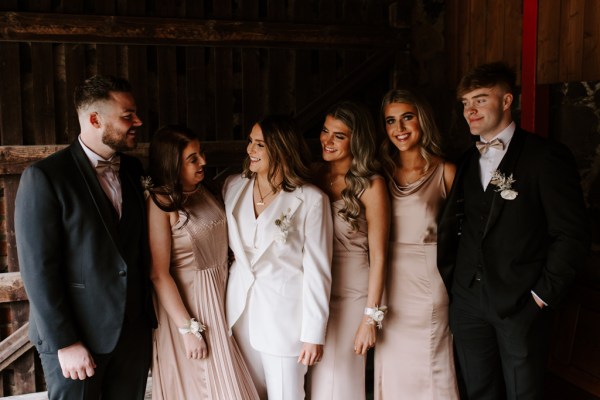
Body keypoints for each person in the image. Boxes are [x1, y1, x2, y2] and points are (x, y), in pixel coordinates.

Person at [437, 61, 590, 399]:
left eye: (480, 99)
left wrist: (539, 299)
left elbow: (572, 235)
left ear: (507, 101)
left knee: (524, 394)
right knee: (477, 391)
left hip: (520, 304)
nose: (470, 110)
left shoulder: (546, 157)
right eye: (465, 102)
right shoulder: (464, 161)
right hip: (466, 303)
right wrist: (457, 287)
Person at [14, 75, 156, 399]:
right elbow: (38, 271)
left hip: (131, 333)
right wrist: (65, 342)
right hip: (78, 337)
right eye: (127, 115)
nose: (138, 121)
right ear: (95, 119)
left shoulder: (134, 171)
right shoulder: (46, 177)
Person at [223, 115, 333, 400]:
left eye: (259, 144)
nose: (250, 150)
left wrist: (313, 333)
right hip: (238, 313)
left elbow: (318, 271)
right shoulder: (233, 187)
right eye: (250, 142)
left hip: (286, 320)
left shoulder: (310, 199)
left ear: (282, 150)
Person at [146, 125, 259, 399]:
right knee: (203, 386)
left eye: (201, 154)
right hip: (190, 305)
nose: (203, 162)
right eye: (192, 158)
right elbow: (159, 274)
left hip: (220, 297)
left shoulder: (206, 189)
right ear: (172, 163)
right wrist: (187, 329)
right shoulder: (161, 202)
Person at [374, 88, 459, 399]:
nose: (399, 129)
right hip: (386, 281)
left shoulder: (446, 172)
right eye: (391, 121)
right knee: (393, 365)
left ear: (422, 120)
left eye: (407, 118)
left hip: (428, 285)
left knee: (430, 365)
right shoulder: (379, 172)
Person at [307, 101, 389, 400]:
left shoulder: (371, 185)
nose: (327, 141)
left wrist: (370, 319)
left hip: (351, 295)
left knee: (337, 381)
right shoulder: (313, 175)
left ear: (357, 140)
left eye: (338, 136)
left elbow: (379, 256)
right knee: (309, 378)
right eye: (325, 131)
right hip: (314, 294)